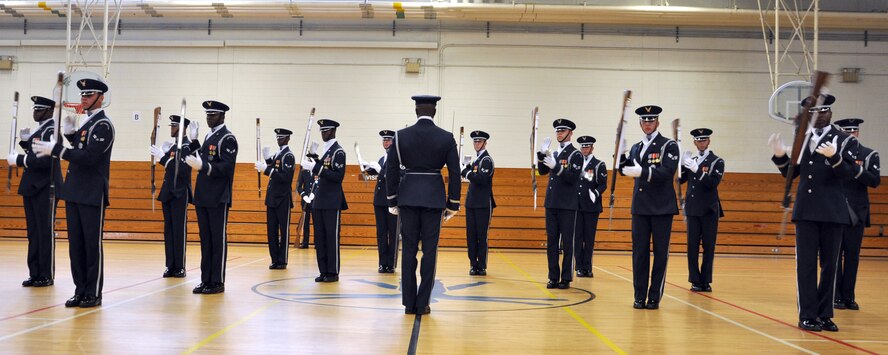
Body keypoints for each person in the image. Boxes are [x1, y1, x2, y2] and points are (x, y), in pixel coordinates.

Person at [768, 94, 857, 332]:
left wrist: (834, 157)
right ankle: (807, 315)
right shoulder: (802, 138)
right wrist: (780, 156)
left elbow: (849, 175)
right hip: (806, 211)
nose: (820, 115)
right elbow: (791, 173)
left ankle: (825, 314)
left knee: (830, 266)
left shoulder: (844, 140)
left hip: (833, 211)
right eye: (816, 112)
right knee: (806, 266)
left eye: (824, 111)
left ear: (830, 113)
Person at [33, 78, 114, 308]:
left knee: (91, 245)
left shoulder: (103, 125)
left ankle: (93, 292)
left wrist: (59, 149)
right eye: (83, 95)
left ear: (101, 98)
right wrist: (71, 136)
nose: (84, 99)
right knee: (76, 245)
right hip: (75, 190)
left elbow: (89, 158)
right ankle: (80, 290)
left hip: (92, 192)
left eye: (89, 95)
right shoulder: (88, 123)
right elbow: (80, 148)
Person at [386, 95, 460, 315]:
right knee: (430, 251)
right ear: (434, 111)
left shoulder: (400, 136)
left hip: (408, 197)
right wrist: (453, 203)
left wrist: (392, 199)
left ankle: (409, 303)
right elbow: (455, 172)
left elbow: (391, 169)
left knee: (408, 251)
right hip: (433, 199)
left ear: (416, 111)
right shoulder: (446, 137)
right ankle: (423, 302)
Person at [618, 105, 679, 310]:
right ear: (640, 123)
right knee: (639, 254)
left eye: (651, 120)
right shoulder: (636, 147)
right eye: (644, 121)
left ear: (657, 123)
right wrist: (621, 156)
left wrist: (642, 172)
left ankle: (654, 297)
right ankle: (639, 295)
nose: (647, 124)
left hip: (662, 208)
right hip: (640, 207)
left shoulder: (668, 145)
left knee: (660, 254)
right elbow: (626, 171)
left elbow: (667, 172)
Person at [184, 100, 238, 295]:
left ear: (222, 116)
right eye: (207, 114)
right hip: (203, 195)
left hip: (218, 196)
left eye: (213, 115)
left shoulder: (227, 138)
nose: (209, 118)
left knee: (217, 240)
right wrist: (194, 142)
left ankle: (217, 281)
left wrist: (204, 167)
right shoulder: (209, 136)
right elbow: (203, 158)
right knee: (205, 240)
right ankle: (206, 279)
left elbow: (226, 167)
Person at [7, 95, 61, 287]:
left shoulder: (52, 131)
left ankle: (46, 274)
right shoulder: (41, 129)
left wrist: (20, 160)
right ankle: (35, 272)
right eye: (34, 109)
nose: (35, 112)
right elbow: (35, 153)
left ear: (49, 111)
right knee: (33, 232)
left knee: (44, 232)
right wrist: (25, 143)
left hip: (46, 187)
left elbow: (46, 161)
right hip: (32, 186)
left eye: (39, 109)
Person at [833, 118, 880, 311]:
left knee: (852, 256)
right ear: (841, 133)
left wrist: (856, 168)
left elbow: (874, 181)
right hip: (835, 211)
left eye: (853, 131)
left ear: (858, 133)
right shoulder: (832, 153)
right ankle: (835, 296)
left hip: (857, 212)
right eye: (847, 131)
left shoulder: (868, 154)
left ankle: (848, 296)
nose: (851, 134)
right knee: (834, 256)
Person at [150, 115, 199, 278]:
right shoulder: (173, 146)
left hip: (180, 192)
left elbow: (182, 171)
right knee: (168, 230)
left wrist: (163, 158)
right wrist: (165, 154)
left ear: (182, 128)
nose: (171, 128)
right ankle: (170, 265)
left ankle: (180, 266)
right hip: (168, 192)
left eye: (174, 126)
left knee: (179, 230)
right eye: (171, 125)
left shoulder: (186, 147)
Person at [537, 119, 583, 289]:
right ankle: (553, 277)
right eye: (557, 131)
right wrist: (542, 155)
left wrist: (556, 166)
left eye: (563, 131)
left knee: (567, 243)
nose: (559, 133)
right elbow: (542, 171)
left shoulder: (576, 154)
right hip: (552, 203)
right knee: (552, 243)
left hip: (567, 204)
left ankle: (566, 277)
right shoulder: (554, 153)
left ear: (570, 133)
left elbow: (572, 178)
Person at [300, 119, 348, 283]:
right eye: (321, 131)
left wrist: (315, 167)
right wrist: (314, 160)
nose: (323, 134)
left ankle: (333, 272)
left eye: (326, 131)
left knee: (331, 237)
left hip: (332, 200)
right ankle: (323, 270)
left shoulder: (338, 152)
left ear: (333, 131)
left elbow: (337, 176)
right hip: (319, 200)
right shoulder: (327, 151)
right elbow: (322, 171)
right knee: (319, 238)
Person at [678, 128, 725, 292]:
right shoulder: (692, 160)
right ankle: (695, 280)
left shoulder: (716, 161)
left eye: (704, 140)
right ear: (694, 142)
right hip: (692, 209)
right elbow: (680, 180)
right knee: (692, 247)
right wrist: (681, 165)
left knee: (708, 246)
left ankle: (706, 280)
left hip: (709, 209)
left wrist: (696, 169)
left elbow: (712, 183)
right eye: (698, 140)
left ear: (709, 141)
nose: (701, 143)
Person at [256, 128, 296, 270]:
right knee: (271, 230)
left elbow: (285, 177)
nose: (279, 139)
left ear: (288, 139)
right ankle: (274, 259)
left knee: (283, 231)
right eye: (278, 137)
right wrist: (267, 159)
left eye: (282, 137)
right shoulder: (277, 154)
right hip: (272, 197)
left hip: (283, 198)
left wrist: (266, 169)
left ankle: (282, 260)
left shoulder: (288, 156)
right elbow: (273, 169)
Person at [360, 130, 398, 273]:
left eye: (388, 140)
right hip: (379, 200)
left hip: (391, 201)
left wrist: (380, 169)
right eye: (384, 140)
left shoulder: (397, 159)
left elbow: (394, 177)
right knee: (381, 233)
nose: (385, 142)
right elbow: (379, 174)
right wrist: (367, 167)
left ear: (393, 141)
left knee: (393, 233)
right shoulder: (382, 158)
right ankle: (382, 263)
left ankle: (391, 263)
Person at [462, 130, 496, 276]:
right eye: (475, 141)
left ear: (485, 143)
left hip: (483, 204)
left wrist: (466, 172)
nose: (477, 144)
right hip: (471, 203)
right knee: (471, 235)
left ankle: (481, 265)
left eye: (479, 141)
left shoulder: (486, 160)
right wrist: (466, 168)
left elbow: (481, 179)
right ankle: (473, 264)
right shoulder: (477, 160)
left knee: (481, 236)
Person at [575, 135, 606, 278]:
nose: (584, 149)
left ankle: (587, 267)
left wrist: (596, 193)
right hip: (576, 206)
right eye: (582, 147)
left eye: (587, 147)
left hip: (591, 207)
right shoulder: (576, 163)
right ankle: (579, 266)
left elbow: (602, 184)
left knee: (589, 238)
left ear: (592, 148)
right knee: (577, 237)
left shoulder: (598, 164)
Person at [295, 167, 314, 249]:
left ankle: (318, 243)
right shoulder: (304, 172)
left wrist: (315, 194)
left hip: (316, 201)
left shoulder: (318, 170)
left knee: (317, 223)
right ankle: (305, 242)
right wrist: (303, 195)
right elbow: (299, 186)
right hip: (306, 201)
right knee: (305, 222)